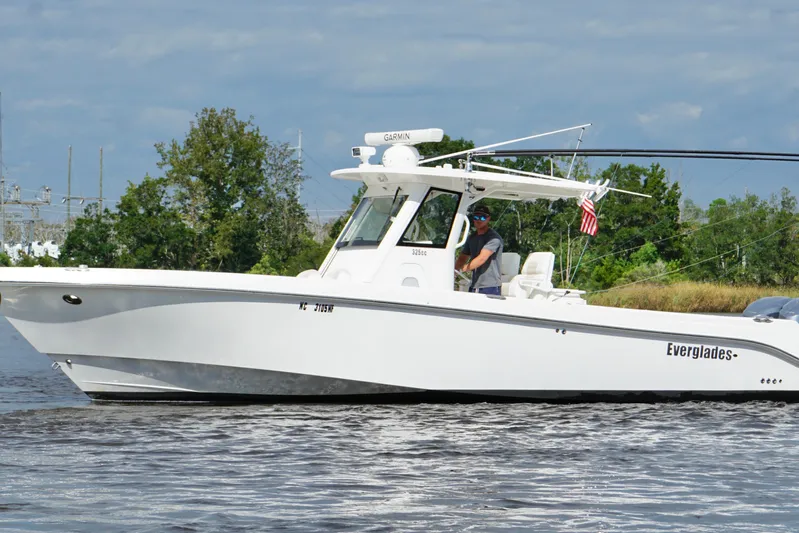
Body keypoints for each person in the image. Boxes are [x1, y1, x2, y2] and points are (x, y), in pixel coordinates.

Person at [455, 205, 504, 295]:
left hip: (490, 287)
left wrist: (462, 269)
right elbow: (462, 258)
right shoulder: (471, 238)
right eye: (476, 217)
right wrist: (454, 271)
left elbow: (481, 259)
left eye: (482, 217)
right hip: (474, 285)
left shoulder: (494, 238)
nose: (479, 220)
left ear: (488, 219)